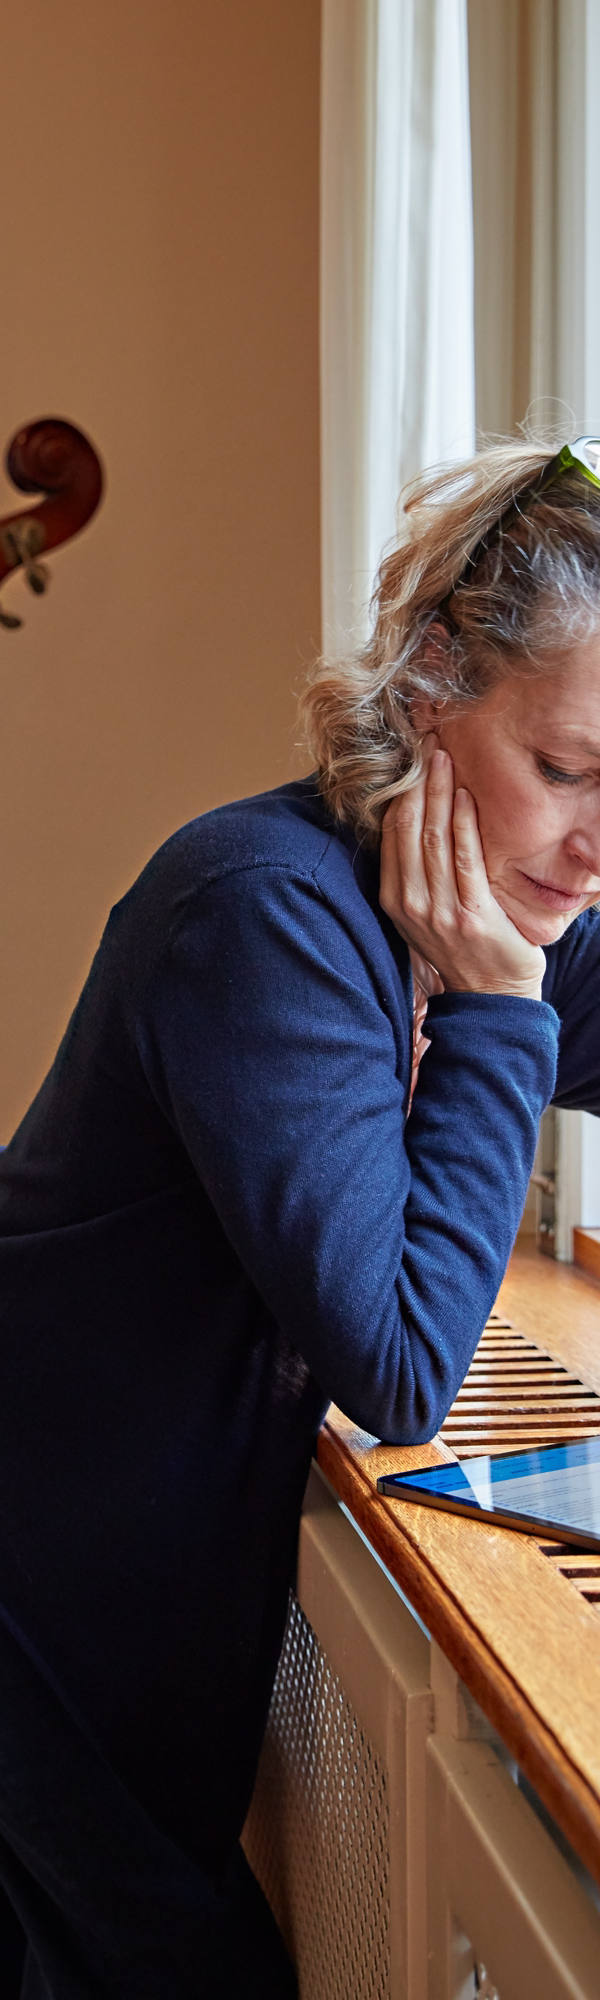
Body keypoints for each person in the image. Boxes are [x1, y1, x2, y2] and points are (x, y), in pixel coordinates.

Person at [1, 435, 600, 1998]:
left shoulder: (492, 900)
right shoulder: (265, 909)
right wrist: (496, 1009)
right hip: (31, 1648)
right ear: (426, 694)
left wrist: (504, 989)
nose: (599, 845)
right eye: (568, 769)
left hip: (115, 1658)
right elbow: (400, 1363)